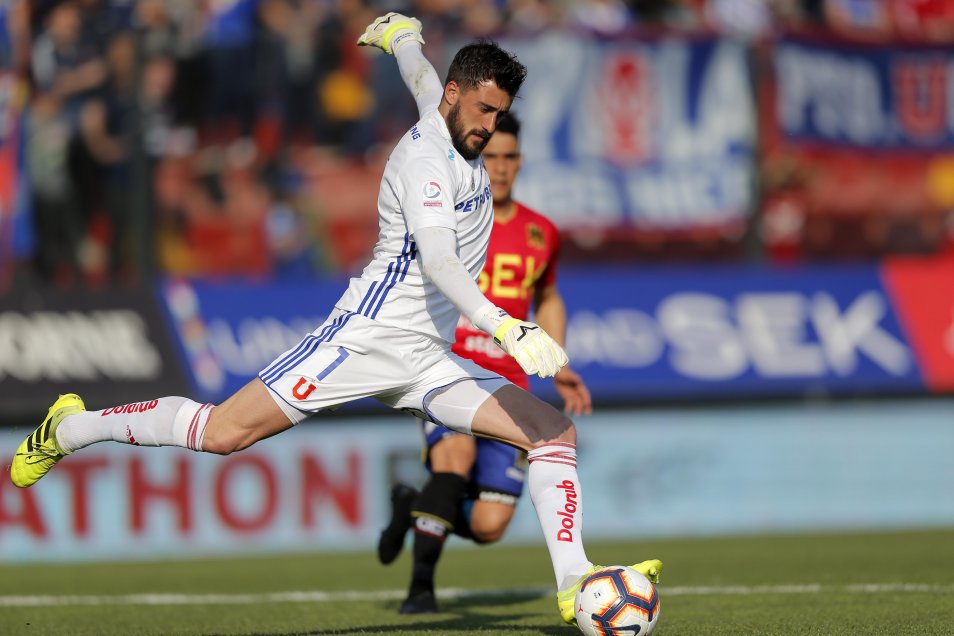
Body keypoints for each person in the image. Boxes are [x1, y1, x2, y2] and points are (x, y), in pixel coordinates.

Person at [10, 13, 660, 626]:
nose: (490, 127)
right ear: (459, 95)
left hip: (426, 359)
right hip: (363, 341)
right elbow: (437, 259)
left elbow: (424, 83)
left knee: (552, 433)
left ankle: (576, 582)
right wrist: (506, 326)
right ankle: (73, 426)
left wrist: (404, 39)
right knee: (223, 434)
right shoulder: (426, 161)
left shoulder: (452, 121)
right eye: (484, 109)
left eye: (501, 114)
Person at [376, 106, 593, 613]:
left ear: (520, 161)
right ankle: (421, 590)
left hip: (508, 381)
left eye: (509, 156)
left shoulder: (542, 232)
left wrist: (559, 367)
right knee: (457, 457)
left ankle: (415, 505)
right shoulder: (452, 217)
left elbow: (549, 297)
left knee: (488, 526)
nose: (499, 166)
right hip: (443, 367)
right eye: (490, 154)